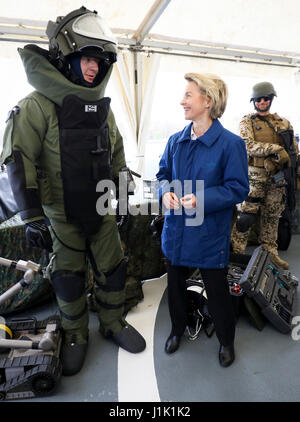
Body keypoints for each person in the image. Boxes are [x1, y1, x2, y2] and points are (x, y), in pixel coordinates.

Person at [0, 6, 146, 376]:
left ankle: (112, 323)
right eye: (86, 58)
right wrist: (32, 217)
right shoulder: (36, 106)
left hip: (101, 210)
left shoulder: (102, 111)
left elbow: (116, 154)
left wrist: (125, 193)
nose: (94, 67)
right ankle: (75, 334)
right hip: (61, 217)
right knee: (67, 278)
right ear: (67, 57)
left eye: (99, 60)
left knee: (113, 271)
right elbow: (19, 161)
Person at [156, 73, 249, 367]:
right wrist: (165, 193)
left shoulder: (231, 144)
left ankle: (226, 340)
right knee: (175, 287)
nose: (182, 101)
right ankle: (176, 330)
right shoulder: (175, 141)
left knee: (217, 291)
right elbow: (162, 176)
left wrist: (201, 200)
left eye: (188, 95)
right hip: (176, 231)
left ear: (207, 100)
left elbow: (238, 188)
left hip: (208, 233)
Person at [231, 81, 299, 269]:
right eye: (259, 99)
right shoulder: (247, 122)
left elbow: (293, 150)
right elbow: (247, 145)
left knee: (272, 216)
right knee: (246, 217)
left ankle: (270, 253)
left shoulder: (284, 123)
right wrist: (275, 148)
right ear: (253, 101)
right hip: (255, 177)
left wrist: (293, 169)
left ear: (271, 99)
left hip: (277, 177)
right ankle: (236, 254)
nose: (262, 102)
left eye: (266, 98)